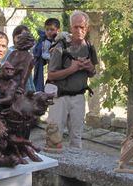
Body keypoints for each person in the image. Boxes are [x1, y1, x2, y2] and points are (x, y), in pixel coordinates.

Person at [46, 10, 98, 148]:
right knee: (54, 136)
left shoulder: (90, 48)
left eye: (82, 27)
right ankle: (52, 168)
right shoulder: (60, 47)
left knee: (76, 138)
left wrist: (89, 67)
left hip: (79, 97)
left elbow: (93, 73)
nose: (79, 30)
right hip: (60, 97)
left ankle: (77, 166)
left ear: (87, 28)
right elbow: (51, 75)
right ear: (71, 28)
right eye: (76, 27)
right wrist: (72, 69)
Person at [2, 25, 36, 92]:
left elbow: (27, 73)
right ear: (14, 38)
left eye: (25, 38)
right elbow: (4, 67)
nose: (22, 40)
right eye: (19, 37)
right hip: (12, 85)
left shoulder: (28, 55)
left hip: (25, 84)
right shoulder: (11, 52)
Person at [33, 18, 61, 92]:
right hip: (52, 71)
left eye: (52, 29)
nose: (49, 32)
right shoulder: (46, 42)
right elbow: (44, 55)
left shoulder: (62, 41)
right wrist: (53, 54)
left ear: (58, 30)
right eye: (47, 29)